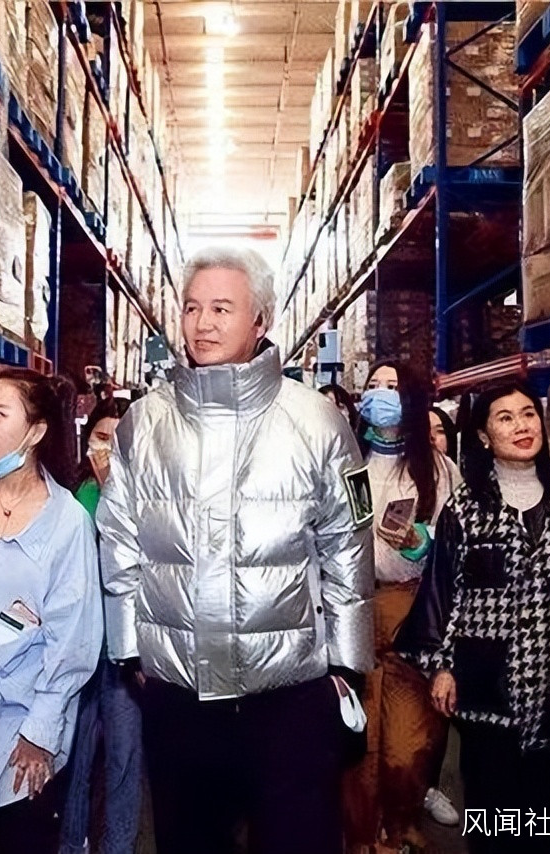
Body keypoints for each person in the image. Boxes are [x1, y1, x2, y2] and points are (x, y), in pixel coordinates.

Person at [97, 244, 375, 854]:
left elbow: (348, 547)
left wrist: (347, 668)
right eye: (191, 308)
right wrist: (129, 650)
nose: (202, 323)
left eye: (221, 308)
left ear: (261, 320)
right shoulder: (145, 423)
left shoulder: (317, 422)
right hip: (179, 693)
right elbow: (118, 537)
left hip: (289, 698)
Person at [397, 381, 550, 854]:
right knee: (492, 816)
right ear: (483, 436)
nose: (522, 426)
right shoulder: (465, 509)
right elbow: (443, 590)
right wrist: (442, 666)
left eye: (528, 414)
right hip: (486, 687)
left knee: (546, 817)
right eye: (505, 417)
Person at [0, 369, 102, 854]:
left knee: (15, 838)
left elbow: (72, 642)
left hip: (21, 722)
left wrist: (40, 732)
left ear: (36, 431)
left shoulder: (66, 523)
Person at [342, 360, 462, 854]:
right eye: (373, 386)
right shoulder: (347, 461)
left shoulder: (438, 469)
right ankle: (361, 838)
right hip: (353, 610)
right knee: (358, 739)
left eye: (392, 387)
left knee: (410, 743)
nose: (380, 395)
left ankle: (400, 830)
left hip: (413, 613)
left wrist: (419, 543)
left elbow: (456, 547)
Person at [59, 396, 143, 854]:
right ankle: (72, 843)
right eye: (101, 437)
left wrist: (116, 491)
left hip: (124, 649)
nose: (107, 448)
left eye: (119, 439)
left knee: (123, 758)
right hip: (80, 646)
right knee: (74, 755)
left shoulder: (149, 496)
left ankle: (118, 846)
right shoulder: (74, 493)